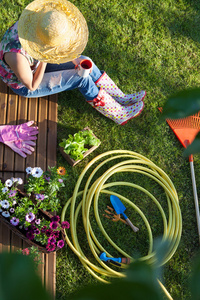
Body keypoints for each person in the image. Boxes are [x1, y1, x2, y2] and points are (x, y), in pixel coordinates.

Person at [0, 0, 146, 157]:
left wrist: (72, 58)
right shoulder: (16, 56)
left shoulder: (37, 24)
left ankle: (121, 98)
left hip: (37, 61)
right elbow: (32, 85)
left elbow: (53, 44)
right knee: (80, 79)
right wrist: (44, 57)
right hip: (25, 82)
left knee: (84, 60)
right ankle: (119, 114)